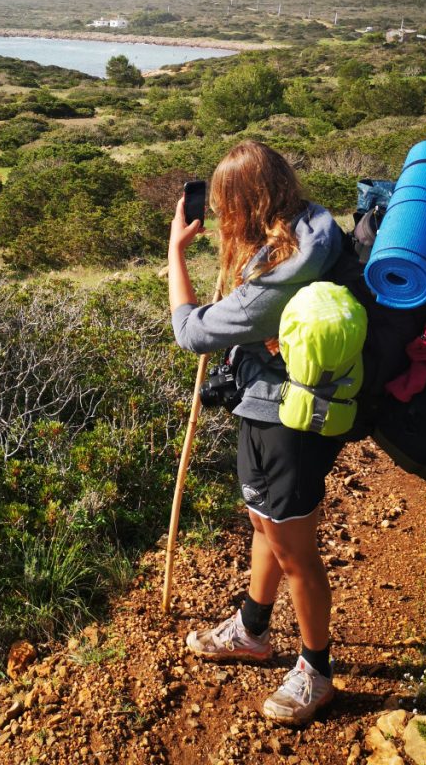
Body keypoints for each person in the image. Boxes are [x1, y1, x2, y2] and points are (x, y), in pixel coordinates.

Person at [168, 140, 345, 725]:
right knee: (263, 523)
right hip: (271, 408)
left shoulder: (279, 274)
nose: (217, 216)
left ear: (248, 201)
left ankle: (316, 671)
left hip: (285, 421)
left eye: (223, 205)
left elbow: (192, 333)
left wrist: (176, 254)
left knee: (297, 553)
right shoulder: (303, 229)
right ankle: (251, 627)